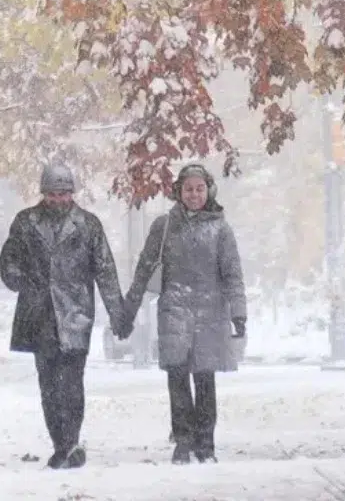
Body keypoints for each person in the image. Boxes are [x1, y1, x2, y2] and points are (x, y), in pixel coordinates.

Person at [0, 161, 133, 470]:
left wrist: (117, 314)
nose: (58, 200)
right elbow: (9, 258)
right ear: (43, 193)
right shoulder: (25, 222)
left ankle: (69, 443)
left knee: (72, 383)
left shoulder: (88, 225)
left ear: (72, 193)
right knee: (48, 385)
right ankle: (62, 444)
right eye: (52, 194)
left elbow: (105, 271)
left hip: (75, 313)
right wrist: (18, 278)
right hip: (39, 314)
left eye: (63, 194)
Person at [124, 163, 247, 464]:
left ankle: (206, 444)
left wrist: (239, 313)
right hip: (174, 311)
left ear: (209, 191)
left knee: (205, 381)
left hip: (210, 312)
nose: (194, 194)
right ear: (179, 191)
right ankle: (183, 441)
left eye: (200, 189)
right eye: (189, 189)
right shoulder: (163, 226)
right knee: (177, 380)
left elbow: (232, 273)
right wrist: (129, 307)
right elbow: (144, 268)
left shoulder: (221, 228)